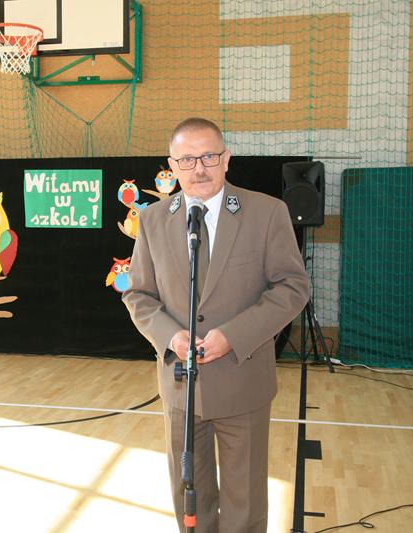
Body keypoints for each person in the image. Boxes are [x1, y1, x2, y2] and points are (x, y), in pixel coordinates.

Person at [122, 117, 310, 532]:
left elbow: (293, 287)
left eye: (209, 156)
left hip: (243, 380)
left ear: (226, 159)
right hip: (179, 387)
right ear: (172, 165)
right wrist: (170, 336)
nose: (199, 169)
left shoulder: (267, 213)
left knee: (244, 503)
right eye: (187, 160)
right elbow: (138, 295)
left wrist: (234, 336)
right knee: (189, 496)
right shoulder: (152, 220)